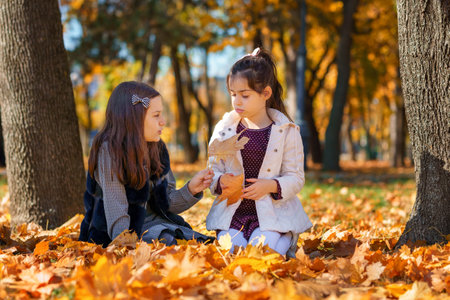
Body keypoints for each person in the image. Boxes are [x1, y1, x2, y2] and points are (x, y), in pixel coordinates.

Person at [79, 81, 214, 247]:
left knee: (199, 241)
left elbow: (166, 204)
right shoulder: (109, 151)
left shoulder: (157, 148)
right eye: (156, 115)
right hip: (116, 233)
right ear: (133, 119)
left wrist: (191, 189)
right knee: (167, 241)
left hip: (155, 225)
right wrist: (127, 248)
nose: (163, 121)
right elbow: (117, 213)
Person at [206, 48, 312, 257]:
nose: (236, 101)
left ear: (265, 94)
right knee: (234, 253)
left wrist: (271, 185)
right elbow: (212, 171)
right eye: (233, 94)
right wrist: (221, 181)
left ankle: (285, 238)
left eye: (244, 95)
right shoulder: (224, 130)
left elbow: (296, 177)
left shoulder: (285, 131)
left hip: (271, 214)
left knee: (261, 252)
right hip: (233, 213)